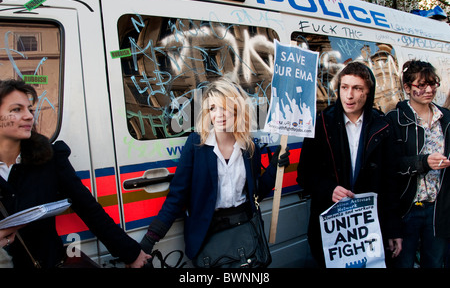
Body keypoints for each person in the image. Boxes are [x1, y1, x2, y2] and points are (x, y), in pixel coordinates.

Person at [0, 79, 150, 268]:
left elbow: (88, 208)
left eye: (29, 109)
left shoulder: (48, 158)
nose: (29, 116)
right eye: (16, 110)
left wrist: (131, 253)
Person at [140, 78, 290, 266]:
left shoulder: (249, 148)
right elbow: (177, 197)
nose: (219, 115)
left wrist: (275, 169)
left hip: (245, 232)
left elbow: (256, 194)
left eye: (224, 107)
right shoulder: (196, 145)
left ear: (237, 110)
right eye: (212, 108)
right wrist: (149, 240)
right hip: (208, 237)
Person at [297, 61, 402, 268]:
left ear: (368, 92)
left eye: (357, 88)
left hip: (370, 228)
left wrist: (393, 230)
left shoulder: (383, 126)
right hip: (332, 230)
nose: (349, 95)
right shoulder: (321, 124)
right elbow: (304, 174)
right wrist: (329, 190)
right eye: (344, 87)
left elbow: (391, 183)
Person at [385, 60, 450, 268]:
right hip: (408, 209)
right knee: (403, 263)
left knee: (435, 262)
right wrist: (423, 162)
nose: (429, 90)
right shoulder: (395, 120)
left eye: (432, 84)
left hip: (438, 209)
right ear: (407, 88)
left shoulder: (446, 118)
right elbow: (390, 167)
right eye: (421, 85)